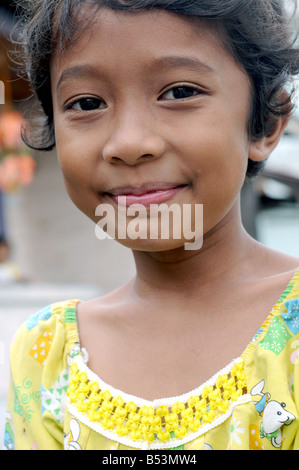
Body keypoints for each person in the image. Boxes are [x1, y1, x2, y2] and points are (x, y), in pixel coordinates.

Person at [4, 0, 299, 451]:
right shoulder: (48, 355)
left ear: (266, 123)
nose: (128, 143)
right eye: (87, 103)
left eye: (180, 92)